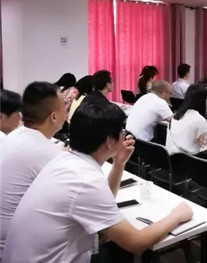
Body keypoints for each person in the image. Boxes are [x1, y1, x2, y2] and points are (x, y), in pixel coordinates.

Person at [3, 103, 193, 262]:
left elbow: (104, 201)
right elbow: (136, 242)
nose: (124, 135)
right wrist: (177, 215)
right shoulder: (85, 181)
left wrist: (119, 164)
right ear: (109, 141)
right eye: (121, 131)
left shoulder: (65, 160)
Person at [0, 82, 66, 258]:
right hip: (16, 248)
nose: (67, 111)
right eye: (64, 107)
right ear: (53, 116)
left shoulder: (14, 135)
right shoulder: (49, 154)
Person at [166, 84, 207, 156]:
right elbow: (205, 150)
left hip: (172, 160)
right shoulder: (199, 120)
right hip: (191, 162)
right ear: (203, 101)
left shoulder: (175, 116)